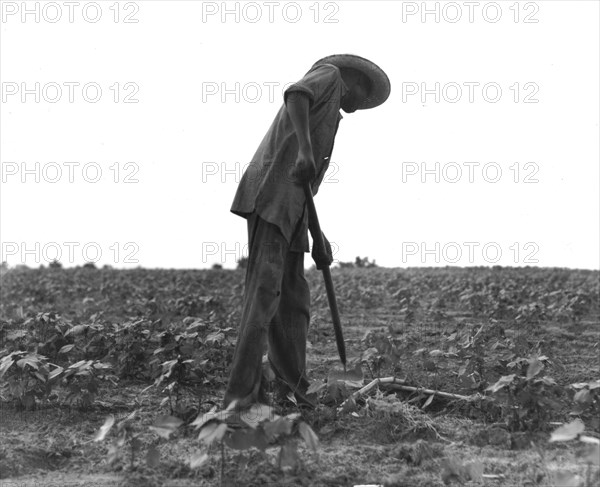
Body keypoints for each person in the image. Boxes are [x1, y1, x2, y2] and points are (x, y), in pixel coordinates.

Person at [224, 54, 391, 409]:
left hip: (293, 211)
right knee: (264, 296)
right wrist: (302, 148)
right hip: (271, 197)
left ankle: (293, 390)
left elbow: (307, 186)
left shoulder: (332, 119)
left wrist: (318, 236)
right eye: (365, 95)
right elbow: (296, 94)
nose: (363, 104)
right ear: (354, 80)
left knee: (294, 303)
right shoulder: (329, 76)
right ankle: (239, 401)